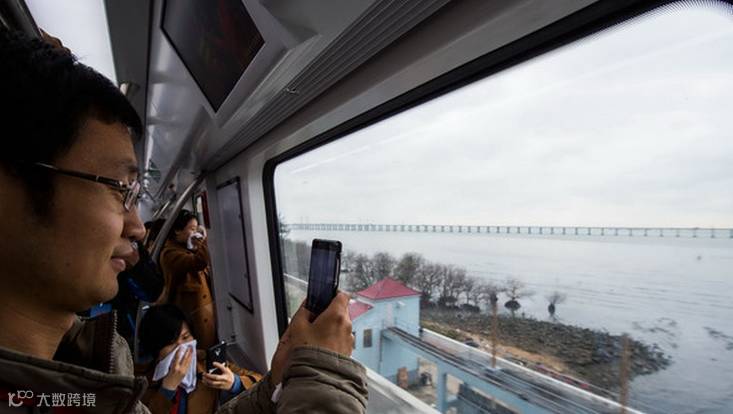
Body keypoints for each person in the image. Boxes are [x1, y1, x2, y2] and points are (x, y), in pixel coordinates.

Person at [0, 28, 367, 413]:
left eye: (134, 195)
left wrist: (276, 384)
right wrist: (325, 377)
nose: (137, 227)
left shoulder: (80, 375)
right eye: (118, 188)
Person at [138, 304, 262, 413]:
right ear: (156, 350)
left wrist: (234, 383)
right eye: (171, 343)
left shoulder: (206, 363)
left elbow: (262, 383)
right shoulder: (142, 380)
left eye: (186, 337)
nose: (181, 347)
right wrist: (167, 389)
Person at [159, 210, 216, 348]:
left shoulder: (185, 248)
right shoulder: (170, 253)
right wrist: (205, 240)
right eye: (192, 229)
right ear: (177, 230)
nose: (195, 233)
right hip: (191, 315)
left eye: (196, 229)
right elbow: (198, 262)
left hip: (202, 312)